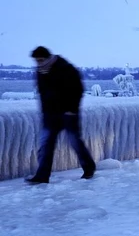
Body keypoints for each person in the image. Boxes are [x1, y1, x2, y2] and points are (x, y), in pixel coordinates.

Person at [25, 46, 96, 184]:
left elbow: (78, 89)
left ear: (47, 58)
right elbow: (43, 94)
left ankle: (89, 168)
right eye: (36, 61)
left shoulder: (65, 68)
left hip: (68, 113)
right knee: (46, 145)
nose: (38, 63)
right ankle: (42, 176)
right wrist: (45, 112)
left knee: (75, 142)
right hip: (50, 114)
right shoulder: (40, 71)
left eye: (40, 60)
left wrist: (71, 109)